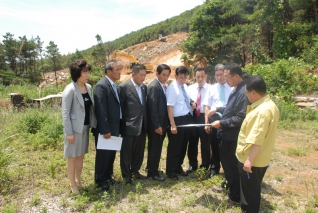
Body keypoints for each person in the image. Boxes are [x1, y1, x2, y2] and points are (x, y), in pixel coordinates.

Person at [208, 63, 250, 204]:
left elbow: (239, 117)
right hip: (226, 134)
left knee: (231, 166)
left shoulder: (243, 92)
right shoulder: (236, 89)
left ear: (236, 76)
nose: (225, 79)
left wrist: (221, 123)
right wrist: (218, 108)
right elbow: (231, 108)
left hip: (231, 136)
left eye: (227, 77)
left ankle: (236, 196)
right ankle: (232, 189)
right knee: (228, 165)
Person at [236, 75, 279, 212]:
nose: (246, 96)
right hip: (261, 158)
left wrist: (249, 161)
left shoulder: (262, 111)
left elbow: (257, 138)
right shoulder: (270, 105)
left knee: (249, 196)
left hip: (252, 160)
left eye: (247, 93)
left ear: (254, 92)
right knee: (253, 190)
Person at [62, 59, 96, 194]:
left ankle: (78, 179)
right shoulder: (70, 89)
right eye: (85, 72)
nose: (88, 75)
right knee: (73, 156)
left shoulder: (88, 88)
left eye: (88, 72)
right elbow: (65, 113)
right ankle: (72, 184)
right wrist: (68, 132)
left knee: (81, 155)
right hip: (74, 129)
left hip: (85, 126)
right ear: (77, 73)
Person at [92, 60, 123, 192]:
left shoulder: (113, 85)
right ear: (108, 71)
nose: (119, 71)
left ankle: (108, 175)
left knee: (111, 154)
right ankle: (101, 180)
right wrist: (105, 129)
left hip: (114, 126)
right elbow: (101, 110)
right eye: (117, 69)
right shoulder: (101, 86)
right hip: (106, 129)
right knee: (103, 155)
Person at [118, 64, 147, 184]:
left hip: (142, 125)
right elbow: (121, 107)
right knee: (126, 152)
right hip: (129, 126)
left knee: (139, 151)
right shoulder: (124, 87)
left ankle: (135, 170)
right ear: (133, 74)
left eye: (145, 75)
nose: (143, 78)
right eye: (141, 75)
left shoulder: (144, 88)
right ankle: (126, 175)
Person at [166, 66, 195, 180]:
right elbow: (170, 108)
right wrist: (173, 125)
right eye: (181, 77)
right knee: (175, 146)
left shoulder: (184, 87)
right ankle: (171, 170)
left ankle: (178, 166)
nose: (183, 80)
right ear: (175, 76)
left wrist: (192, 103)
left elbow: (187, 100)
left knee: (183, 145)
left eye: (185, 77)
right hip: (177, 120)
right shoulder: (172, 88)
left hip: (187, 118)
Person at [203, 64, 232, 178]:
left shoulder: (232, 88)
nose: (219, 77)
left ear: (226, 74)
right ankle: (214, 168)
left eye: (222, 75)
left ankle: (227, 169)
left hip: (228, 118)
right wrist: (207, 123)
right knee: (214, 144)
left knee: (226, 145)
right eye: (217, 75)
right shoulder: (212, 88)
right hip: (214, 118)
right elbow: (207, 107)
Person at [146, 64, 171, 181]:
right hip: (156, 126)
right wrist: (157, 125)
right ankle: (152, 172)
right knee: (154, 148)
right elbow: (152, 108)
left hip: (161, 124)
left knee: (157, 148)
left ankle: (152, 167)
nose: (165, 77)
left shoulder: (162, 86)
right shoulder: (154, 87)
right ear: (157, 74)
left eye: (167, 75)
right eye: (163, 75)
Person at [186, 67, 211, 173]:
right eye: (198, 77)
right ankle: (193, 164)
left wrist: (207, 122)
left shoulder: (211, 89)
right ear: (195, 77)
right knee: (192, 141)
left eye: (202, 76)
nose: (200, 79)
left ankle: (205, 164)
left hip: (204, 117)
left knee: (205, 142)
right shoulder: (190, 88)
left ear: (206, 76)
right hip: (193, 117)